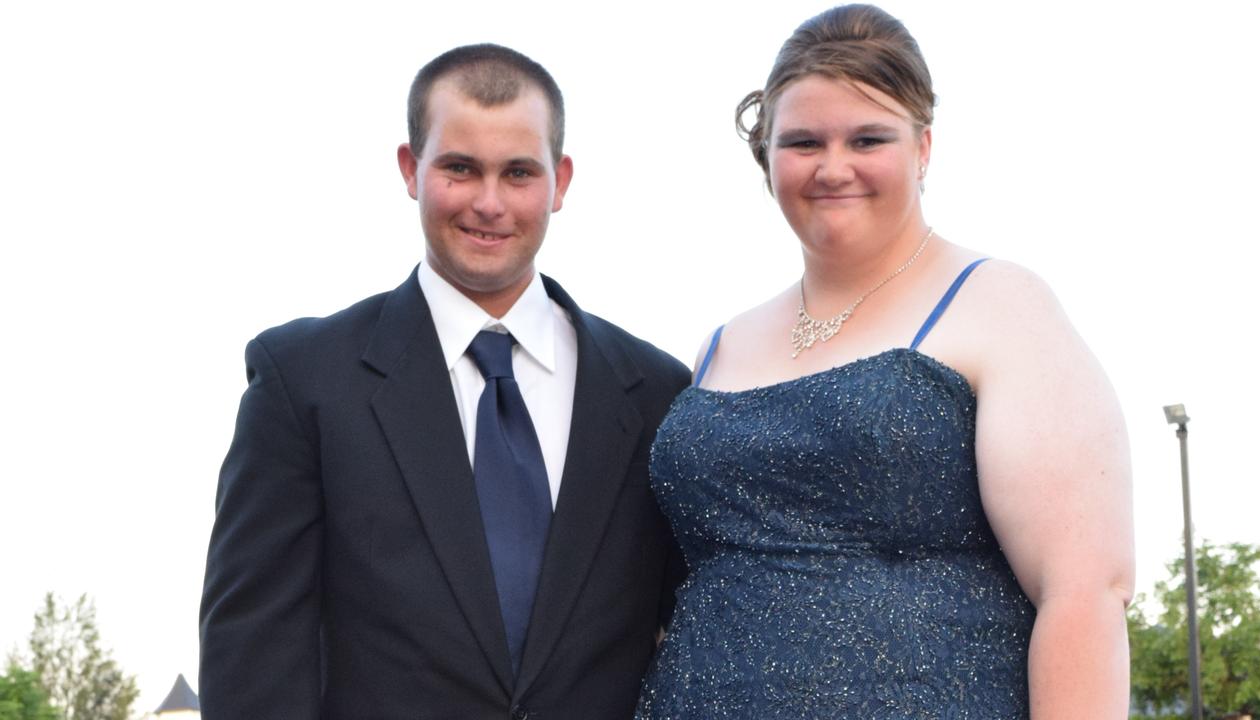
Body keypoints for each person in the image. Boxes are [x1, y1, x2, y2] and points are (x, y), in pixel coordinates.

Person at [635, 5, 1134, 719]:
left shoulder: (1001, 305)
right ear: (766, 155)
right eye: (803, 141)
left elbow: (1085, 590)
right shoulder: (720, 343)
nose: (833, 167)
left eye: (868, 138)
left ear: (924, 147)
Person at [199, 44, 689, 720]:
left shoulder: (658, 391)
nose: (489, 203)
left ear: (561, 180)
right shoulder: (303, 381)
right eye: (460, 169)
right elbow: (252, 654)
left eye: (519, 172)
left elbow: (690, 636)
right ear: (411, 168)